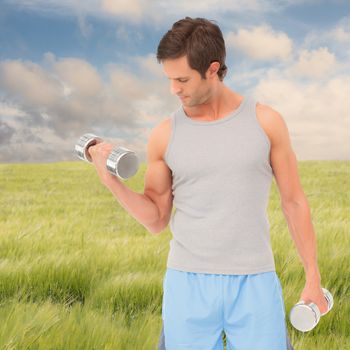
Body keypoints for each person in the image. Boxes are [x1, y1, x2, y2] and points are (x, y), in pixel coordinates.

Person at [89, 16, 328, 350]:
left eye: (182, 79)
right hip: (187, 282)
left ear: (213, 69)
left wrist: (313, 278)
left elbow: (294, 202)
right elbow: (157, 219)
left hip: (254, 279)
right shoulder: (164, 134)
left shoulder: (266, 122)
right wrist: (111, 181)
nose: (174, 89)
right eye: (170, 79)